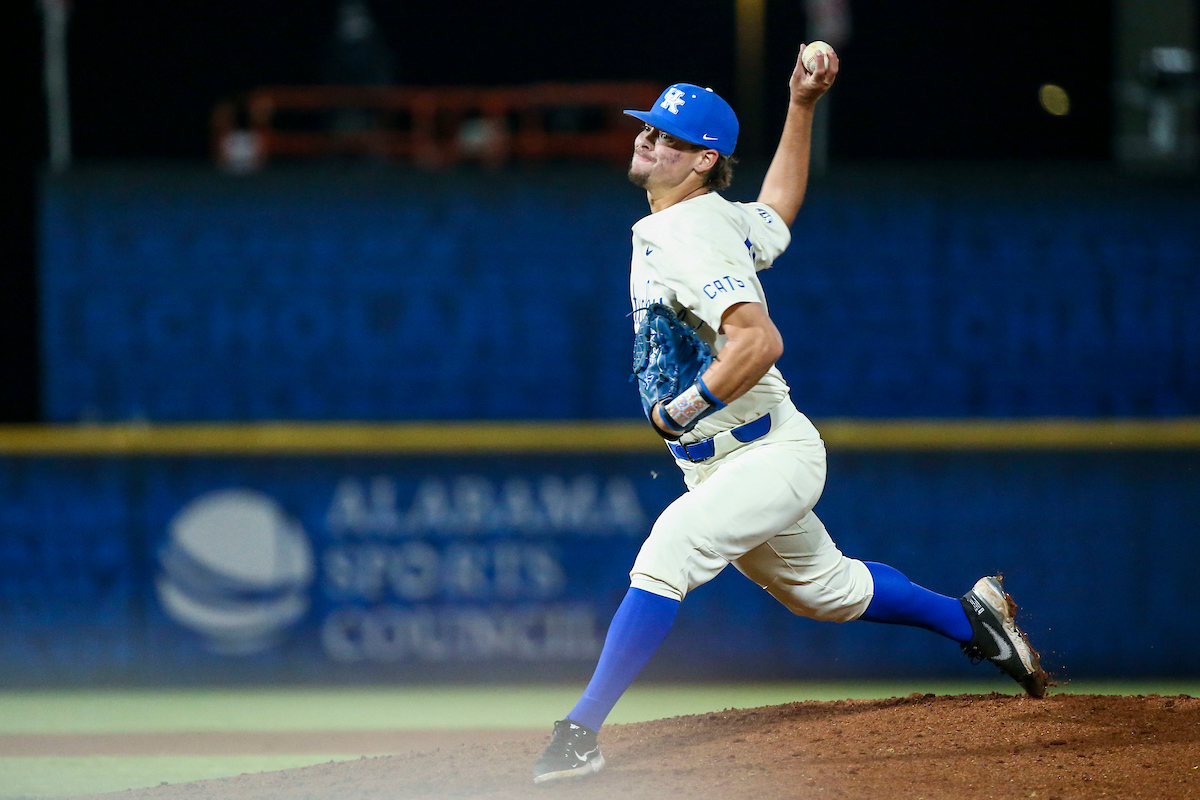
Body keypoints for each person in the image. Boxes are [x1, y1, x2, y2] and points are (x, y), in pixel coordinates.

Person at [532, 44, 1048, 786]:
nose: (646, 137)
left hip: (767, 452)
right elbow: (775, 212)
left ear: (704, 159)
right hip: (728, 463)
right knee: (828, 592)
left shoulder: (686, 231)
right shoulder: (710, 218)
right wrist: (801, 105)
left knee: (668, 550)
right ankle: (970, 618)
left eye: (668, 135)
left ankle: (580, 730)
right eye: (647, 127)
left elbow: (759, 341)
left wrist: (684, 408)